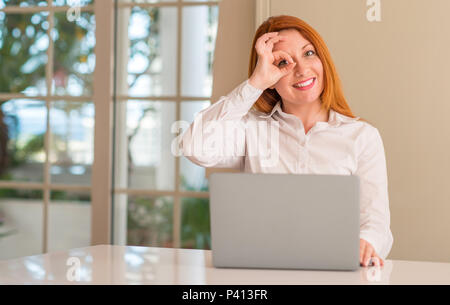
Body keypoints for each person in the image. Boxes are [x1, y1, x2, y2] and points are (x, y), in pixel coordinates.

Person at [180, 15, 393, 267]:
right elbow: (196, 148)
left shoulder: (362, 136)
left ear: (323, 60)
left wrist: (365, 243)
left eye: (309, 53)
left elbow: (376, 222)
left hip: (335, 273)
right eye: (283, 62)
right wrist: (254, 83)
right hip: (262, 272)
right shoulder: (251, 130)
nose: (302, 69)